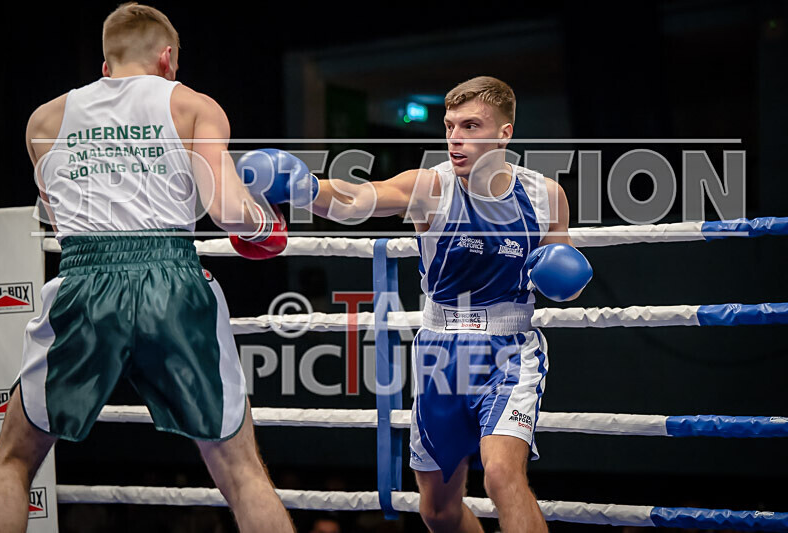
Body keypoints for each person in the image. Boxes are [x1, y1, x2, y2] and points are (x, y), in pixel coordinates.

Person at [0, 3, 294, 532]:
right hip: (172, 281)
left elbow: (59, 218)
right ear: (167, 57)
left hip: (83, 281)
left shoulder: (44, 118)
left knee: (12, 464)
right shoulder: (193, 105)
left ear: (106, 64)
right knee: (243, 473)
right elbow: (225, 211)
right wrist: (266, 223)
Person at [239, 76, 592, 533]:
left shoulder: (547, 196)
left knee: (503, 475)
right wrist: (305, 187)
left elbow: (565, 282)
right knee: (438, 511)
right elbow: (358, 199)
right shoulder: (430, 186)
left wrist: (568, 277)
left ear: (504, 133)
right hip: (440, 354)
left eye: (471, 126)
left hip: (510, 350)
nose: (456, 138)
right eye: (449, 126)